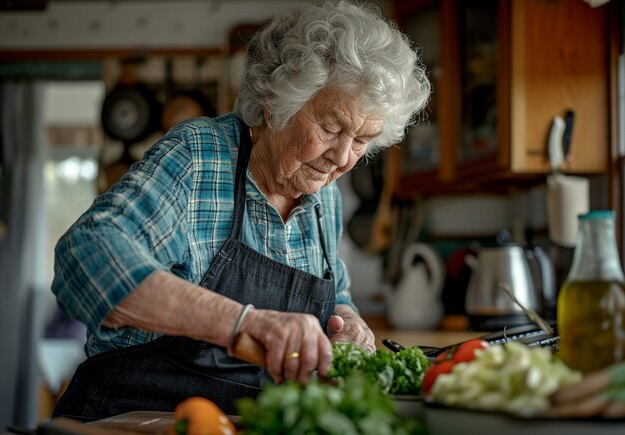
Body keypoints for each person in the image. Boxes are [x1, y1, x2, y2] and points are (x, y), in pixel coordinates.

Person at [51, 0, 430, 420]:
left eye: (362, 139)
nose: (341, 158)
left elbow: (335, 290)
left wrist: (346, 322)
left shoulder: (324, 195)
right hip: (132, 421)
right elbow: (85, 257)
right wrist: (243, 324)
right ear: (275, 102)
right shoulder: (198, 157)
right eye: (330, 127)